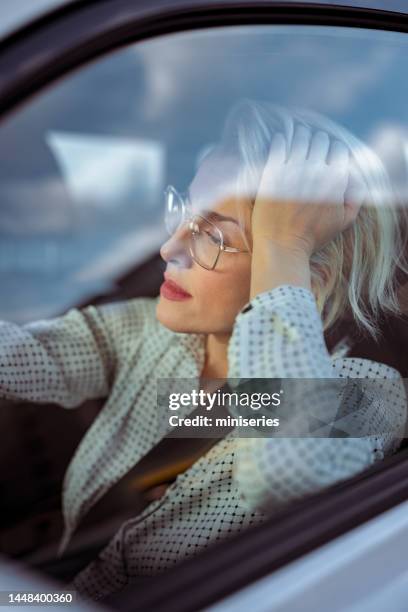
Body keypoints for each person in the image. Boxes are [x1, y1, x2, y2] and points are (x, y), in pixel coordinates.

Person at [1, 99, 407, 601]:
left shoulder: (367, 396)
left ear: (308, 275)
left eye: (213, 234)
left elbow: (289, 469)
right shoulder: (154, 333)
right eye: (183, 214)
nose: (168, 248)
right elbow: (17, 355)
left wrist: (284, 249)